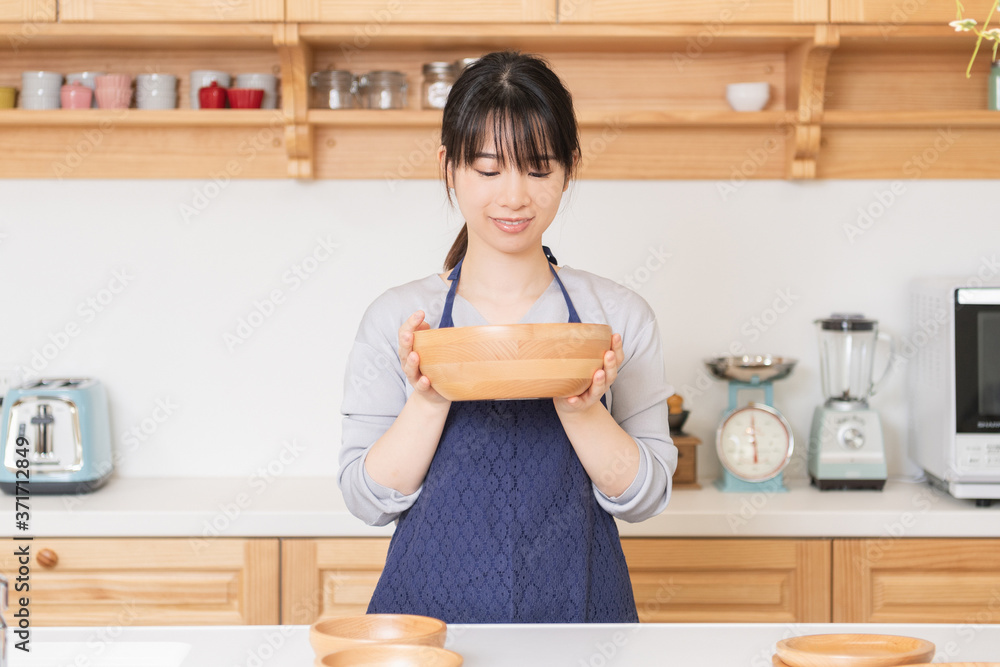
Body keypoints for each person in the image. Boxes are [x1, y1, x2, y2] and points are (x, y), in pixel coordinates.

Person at [339, 50, 677, 624]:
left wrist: (583, 409)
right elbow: (365, 499)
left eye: (539, 168)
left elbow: (646, 498)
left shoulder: (617, 317)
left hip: (582, 624)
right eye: (489, 169)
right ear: (449, 165)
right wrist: (427, 398)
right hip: (427, 630)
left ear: (570, 166)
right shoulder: (400, 318)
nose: (515, 196)